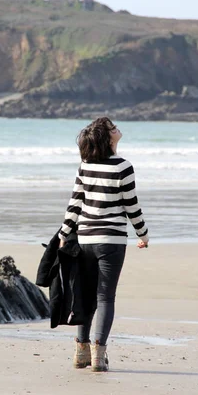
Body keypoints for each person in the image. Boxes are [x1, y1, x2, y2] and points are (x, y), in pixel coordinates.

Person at [58, 116, 149, 372]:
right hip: (112, 241)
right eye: (112, 127)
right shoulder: (124, 166)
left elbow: (74, 203)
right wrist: (143, 234)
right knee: (105, 297)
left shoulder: (84, 165)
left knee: (85, 297)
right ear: (107, 138)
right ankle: (98, 356)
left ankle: (80, 352)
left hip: (85, 238)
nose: (117, 128)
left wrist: (65, 232)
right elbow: (131, 205)